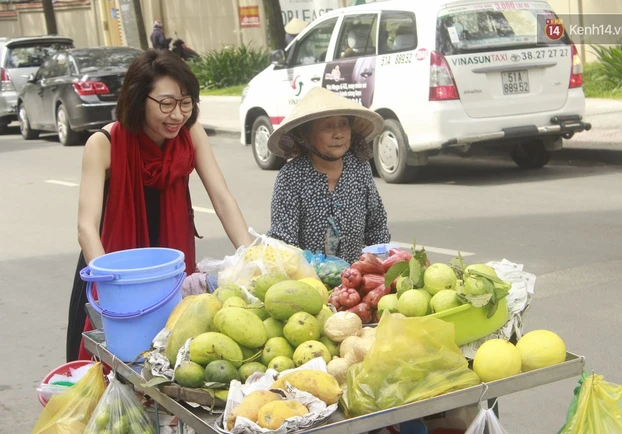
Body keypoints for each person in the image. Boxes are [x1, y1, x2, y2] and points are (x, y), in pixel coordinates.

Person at [66, 50, 252, 361]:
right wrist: (111, 289)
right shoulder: (103, 144)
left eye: (185, 103)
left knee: (173, 360)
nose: (177, 115)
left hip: (169, 270)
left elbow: (222, 198)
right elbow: (86, 226)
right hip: (113, 272)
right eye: (166, 104)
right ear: (139, 99)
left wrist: (250, 257)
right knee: (111, 375)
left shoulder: (191, 134)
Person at [266, 87, 390, 264]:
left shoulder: (359, 168)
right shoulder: (291, 176)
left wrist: (379, 268)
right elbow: (284, 241)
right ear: (306, 136)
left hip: (355, 281)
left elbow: (376, 226)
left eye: (343, 124)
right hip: (308, 282)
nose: (338, 134)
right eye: (327, 126)